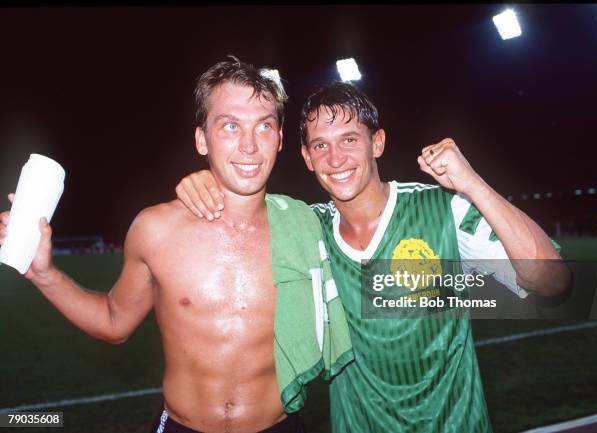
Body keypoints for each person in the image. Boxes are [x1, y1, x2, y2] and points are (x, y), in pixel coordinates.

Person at [175, 81, 570, 432]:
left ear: (377, 142)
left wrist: (472, 184)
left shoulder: (441, 210)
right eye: (320, 146)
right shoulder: (308, 228)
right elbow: (241, 211)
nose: (335, 159)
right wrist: (207, 180)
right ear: (307, 158)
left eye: (349, 140)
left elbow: (552, 282)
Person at [0, 58, 353, 433]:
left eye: (264, 126)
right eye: (230, 125)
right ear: (202, 138)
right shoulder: (156, 229)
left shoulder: (310, 226)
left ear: (280, 138)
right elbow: (114, 322)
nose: (249, 146)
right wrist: (44, 274)